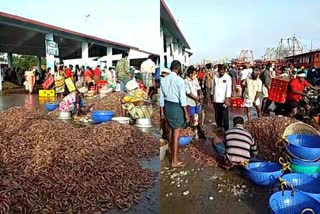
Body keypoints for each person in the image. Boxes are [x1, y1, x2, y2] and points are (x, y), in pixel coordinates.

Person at [160, 60, 190, 168]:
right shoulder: (179, 80)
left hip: (167, 106)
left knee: (171, 131)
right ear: (178, 68)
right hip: (176, 107)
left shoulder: (163, 80)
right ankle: (174, 160)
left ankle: (172, 154)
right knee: (176, 133)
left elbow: (161, 98)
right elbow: (182, 99)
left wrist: (162, 112)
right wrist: (186, 113)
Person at [185, 66, 206, 139]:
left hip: (197, 102)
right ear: (190, 74)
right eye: (194, 73)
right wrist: (196, 98)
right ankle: (191, 130)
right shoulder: (186, 81)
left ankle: (199, 129)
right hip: (190, 102)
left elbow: (198, 88)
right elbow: (188, 93)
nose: (195, 75)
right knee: (192, 117)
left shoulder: (196, 79)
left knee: (199, 115)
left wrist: (201, 95)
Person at [211, 64, 232, 131]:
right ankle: (219, 126)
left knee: (224, 115)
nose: (221, 73)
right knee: (217, 115)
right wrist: (212, 95)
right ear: (218, 70)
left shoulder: (228, 77)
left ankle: (226, 129)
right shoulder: (215, 76)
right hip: (216, 99)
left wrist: (227, 99)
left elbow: (229, 89)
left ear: (225, 70)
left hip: (224, 100)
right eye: (220, 72)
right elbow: (213, 87)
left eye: (222, 72)